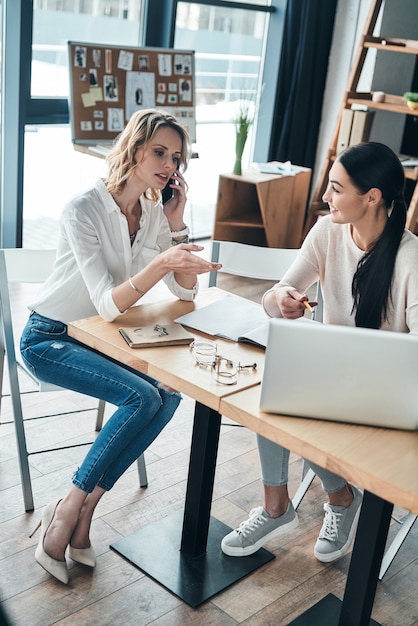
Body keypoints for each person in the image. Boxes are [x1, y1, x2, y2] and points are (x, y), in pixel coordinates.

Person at [21, 108, 221, 584]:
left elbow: (185, 296)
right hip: (50, 337)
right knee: (143, 395)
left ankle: (84, 508)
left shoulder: (152, 212)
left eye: (176, 158)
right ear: (133, 148)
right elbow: (107, 304)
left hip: (100, 341)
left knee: (168, 393)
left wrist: (176, 223)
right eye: (159, 152)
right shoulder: (83, 209)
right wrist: (159, 263)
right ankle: (71, 507)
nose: (169, 165)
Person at [221, 141, 418, 562]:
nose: (325, 197)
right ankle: (278, 506)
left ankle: (342, 498)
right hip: (333, 379)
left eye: (335, 188)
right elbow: (274, 296)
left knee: (299, 402)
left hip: (386, 395)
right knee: (272, 392)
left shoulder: (411, 257)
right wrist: (283, 299)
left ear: (372, 197)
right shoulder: (327, 232)